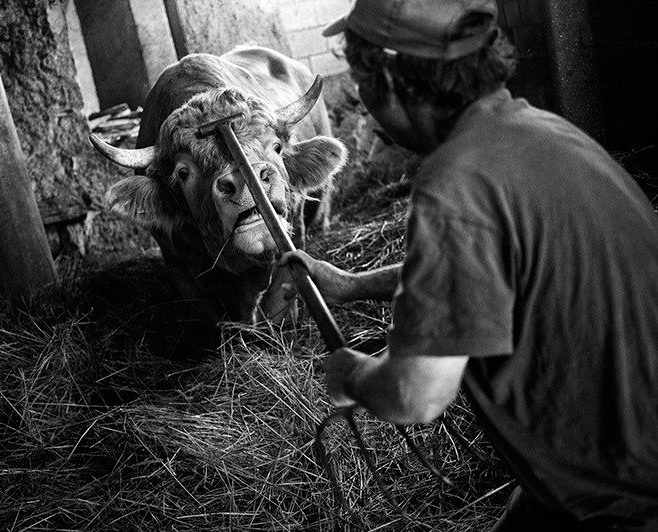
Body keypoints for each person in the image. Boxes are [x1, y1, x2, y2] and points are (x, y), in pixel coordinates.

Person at [279, 0, 658, 530]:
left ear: (389, 76)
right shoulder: (541, 131)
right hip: (600, 469)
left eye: (362, 79)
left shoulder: (455, 183)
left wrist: (353, 374)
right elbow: (483, 275)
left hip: (623, 500)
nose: (363, 103)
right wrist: (349, 286)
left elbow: (416, 394)